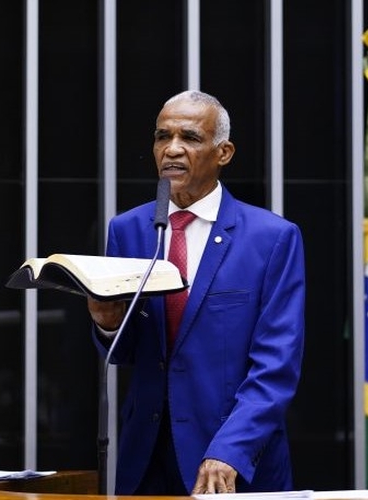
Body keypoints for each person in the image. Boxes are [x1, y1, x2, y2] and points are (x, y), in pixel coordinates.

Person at [87, 90, 306, 496]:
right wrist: (106, 323)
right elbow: (126, 352)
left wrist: (230, 450)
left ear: (223, 153)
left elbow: (276, 367)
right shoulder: (128, 230)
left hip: (233, 460)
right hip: (146, 458)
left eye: (189, 138)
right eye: (161, 136)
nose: (172, 149)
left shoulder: (272, 238)